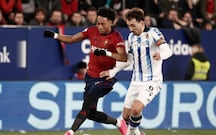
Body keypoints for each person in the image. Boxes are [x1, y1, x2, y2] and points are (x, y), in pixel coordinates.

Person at [43, 7, 128, 135]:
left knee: (87, 101)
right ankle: (119, 123)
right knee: (91, 113)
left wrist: (107, 53)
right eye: (97, 23)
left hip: (105, 78)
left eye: (102, 24)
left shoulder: (116, 38)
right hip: (90, 77)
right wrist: (55, 35)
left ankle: (71, 131)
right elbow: (72, 39)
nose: (99, 26)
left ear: (112, 22)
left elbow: (123, 57)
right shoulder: (92, 30)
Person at [100, 7, 172, 135]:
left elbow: (168, 50)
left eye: (133, 25)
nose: (131, 29)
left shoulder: (153, 33)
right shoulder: (131, 37)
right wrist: (113, 72)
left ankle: (131, 133)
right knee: (126, 116)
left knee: (136, 109)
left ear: (142, 23)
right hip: (135, 81)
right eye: (128, 26)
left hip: (152, 80)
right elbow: (129, 60)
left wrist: (161, 54)